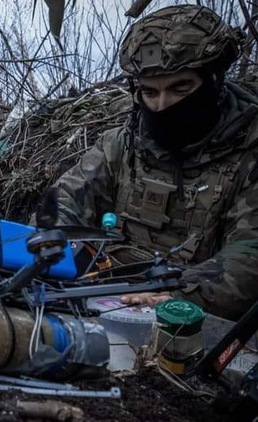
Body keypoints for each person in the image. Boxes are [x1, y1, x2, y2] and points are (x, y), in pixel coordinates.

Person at [48, 5, 258, 321]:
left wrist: (173, 295)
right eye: (149, 92)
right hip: (102, 298)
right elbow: (63, 203)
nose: (162, 106)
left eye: (180, 88)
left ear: (214, 81)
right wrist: (48, 252)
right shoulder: (121, 144)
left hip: (193, 319)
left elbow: (248, 260)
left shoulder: (250, 153)